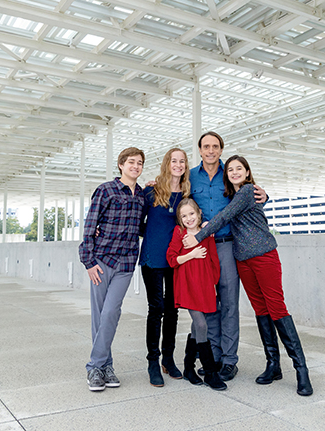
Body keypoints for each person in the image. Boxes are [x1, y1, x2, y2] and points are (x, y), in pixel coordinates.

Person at [183, 155, 313, 396]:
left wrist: (198, 236)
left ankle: (301, 370)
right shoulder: (234, 195)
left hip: (264, 255)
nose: (234, 172)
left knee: (277, 309)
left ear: (247, 171)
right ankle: (273, 365)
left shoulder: (246, 191)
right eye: (230, 169)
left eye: (238, 168)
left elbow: (223, 217)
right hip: (242, 259)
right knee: (261, 310)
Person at [190, 131, 267, 381]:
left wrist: (266, 196)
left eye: (215, 146)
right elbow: (172, 192)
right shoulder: (191, 177)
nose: (210, 150)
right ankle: (213, 356)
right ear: (200, 150)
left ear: (221, 150)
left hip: (226, 245)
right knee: (208, 304)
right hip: (202, 248)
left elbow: (250, 195)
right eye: (206, 146)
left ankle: (230, 360)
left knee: (230, 303)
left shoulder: (230, 173)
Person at [79, 147, 146, 392]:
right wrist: (88, 261)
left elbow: (141, 227)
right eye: (131, 162)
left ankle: (95, 366)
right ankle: (103, 367)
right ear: (121, 165)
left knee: (111, 312)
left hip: (125, 263)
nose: (135, 166)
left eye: (139, 163)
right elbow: (90, 225)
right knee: (100, 315)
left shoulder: (142, 196)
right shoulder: (105, 190)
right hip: (101, 261)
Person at [138, 148, 190, 387]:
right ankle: (152, 361)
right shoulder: (151, 191)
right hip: (152, 258)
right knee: (156, 308)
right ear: (167, 164)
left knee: (172, 310)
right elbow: (137, 223)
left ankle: (168, 359)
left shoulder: (189, 194)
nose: (178, 165)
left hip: (176, 259)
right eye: (174, 161)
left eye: (182, 161)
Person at [166, 198, 226, 391]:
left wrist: (213, 282)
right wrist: (191, 254)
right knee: (201, 324)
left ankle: (188, 368)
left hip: (204, 284)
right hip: (187, 284)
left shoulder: (206, 232)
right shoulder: (179, 232)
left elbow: (213, 259)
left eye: (191, 214)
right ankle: (210, 372)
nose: (189, 218)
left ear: (199, 213)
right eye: (184, 216)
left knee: (197, 325)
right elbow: (172, 259)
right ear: (180, 219)